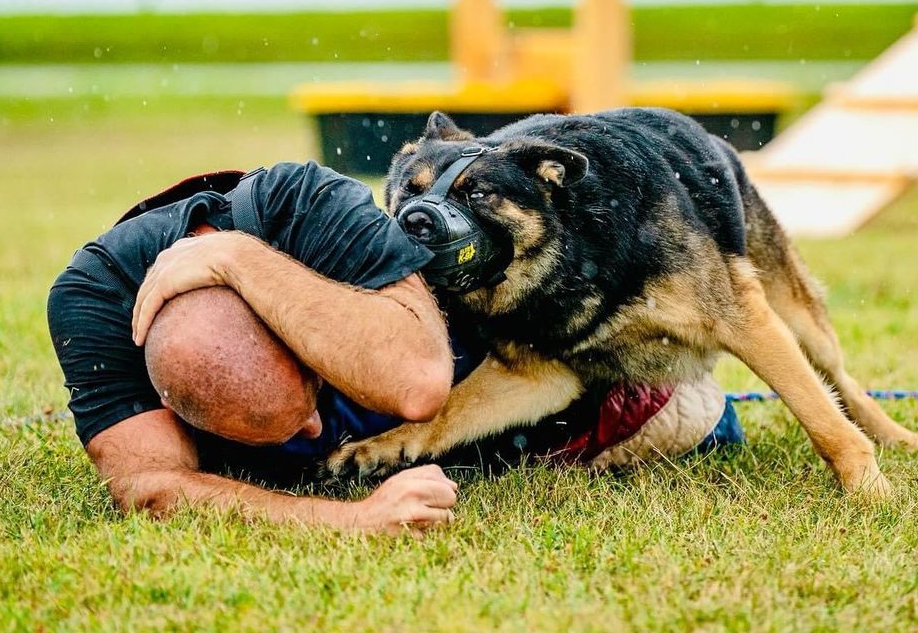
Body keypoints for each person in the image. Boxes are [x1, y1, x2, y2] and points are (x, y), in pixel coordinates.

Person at [48, 161, 742, 536]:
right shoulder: (92, 299)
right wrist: (352, 520)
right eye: (281, 434)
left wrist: (240, 261)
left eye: (312, 397)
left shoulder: (298, 205)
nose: (313, 432)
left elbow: (418, 384)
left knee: (693, 419)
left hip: (586, 398)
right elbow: (149, 488)